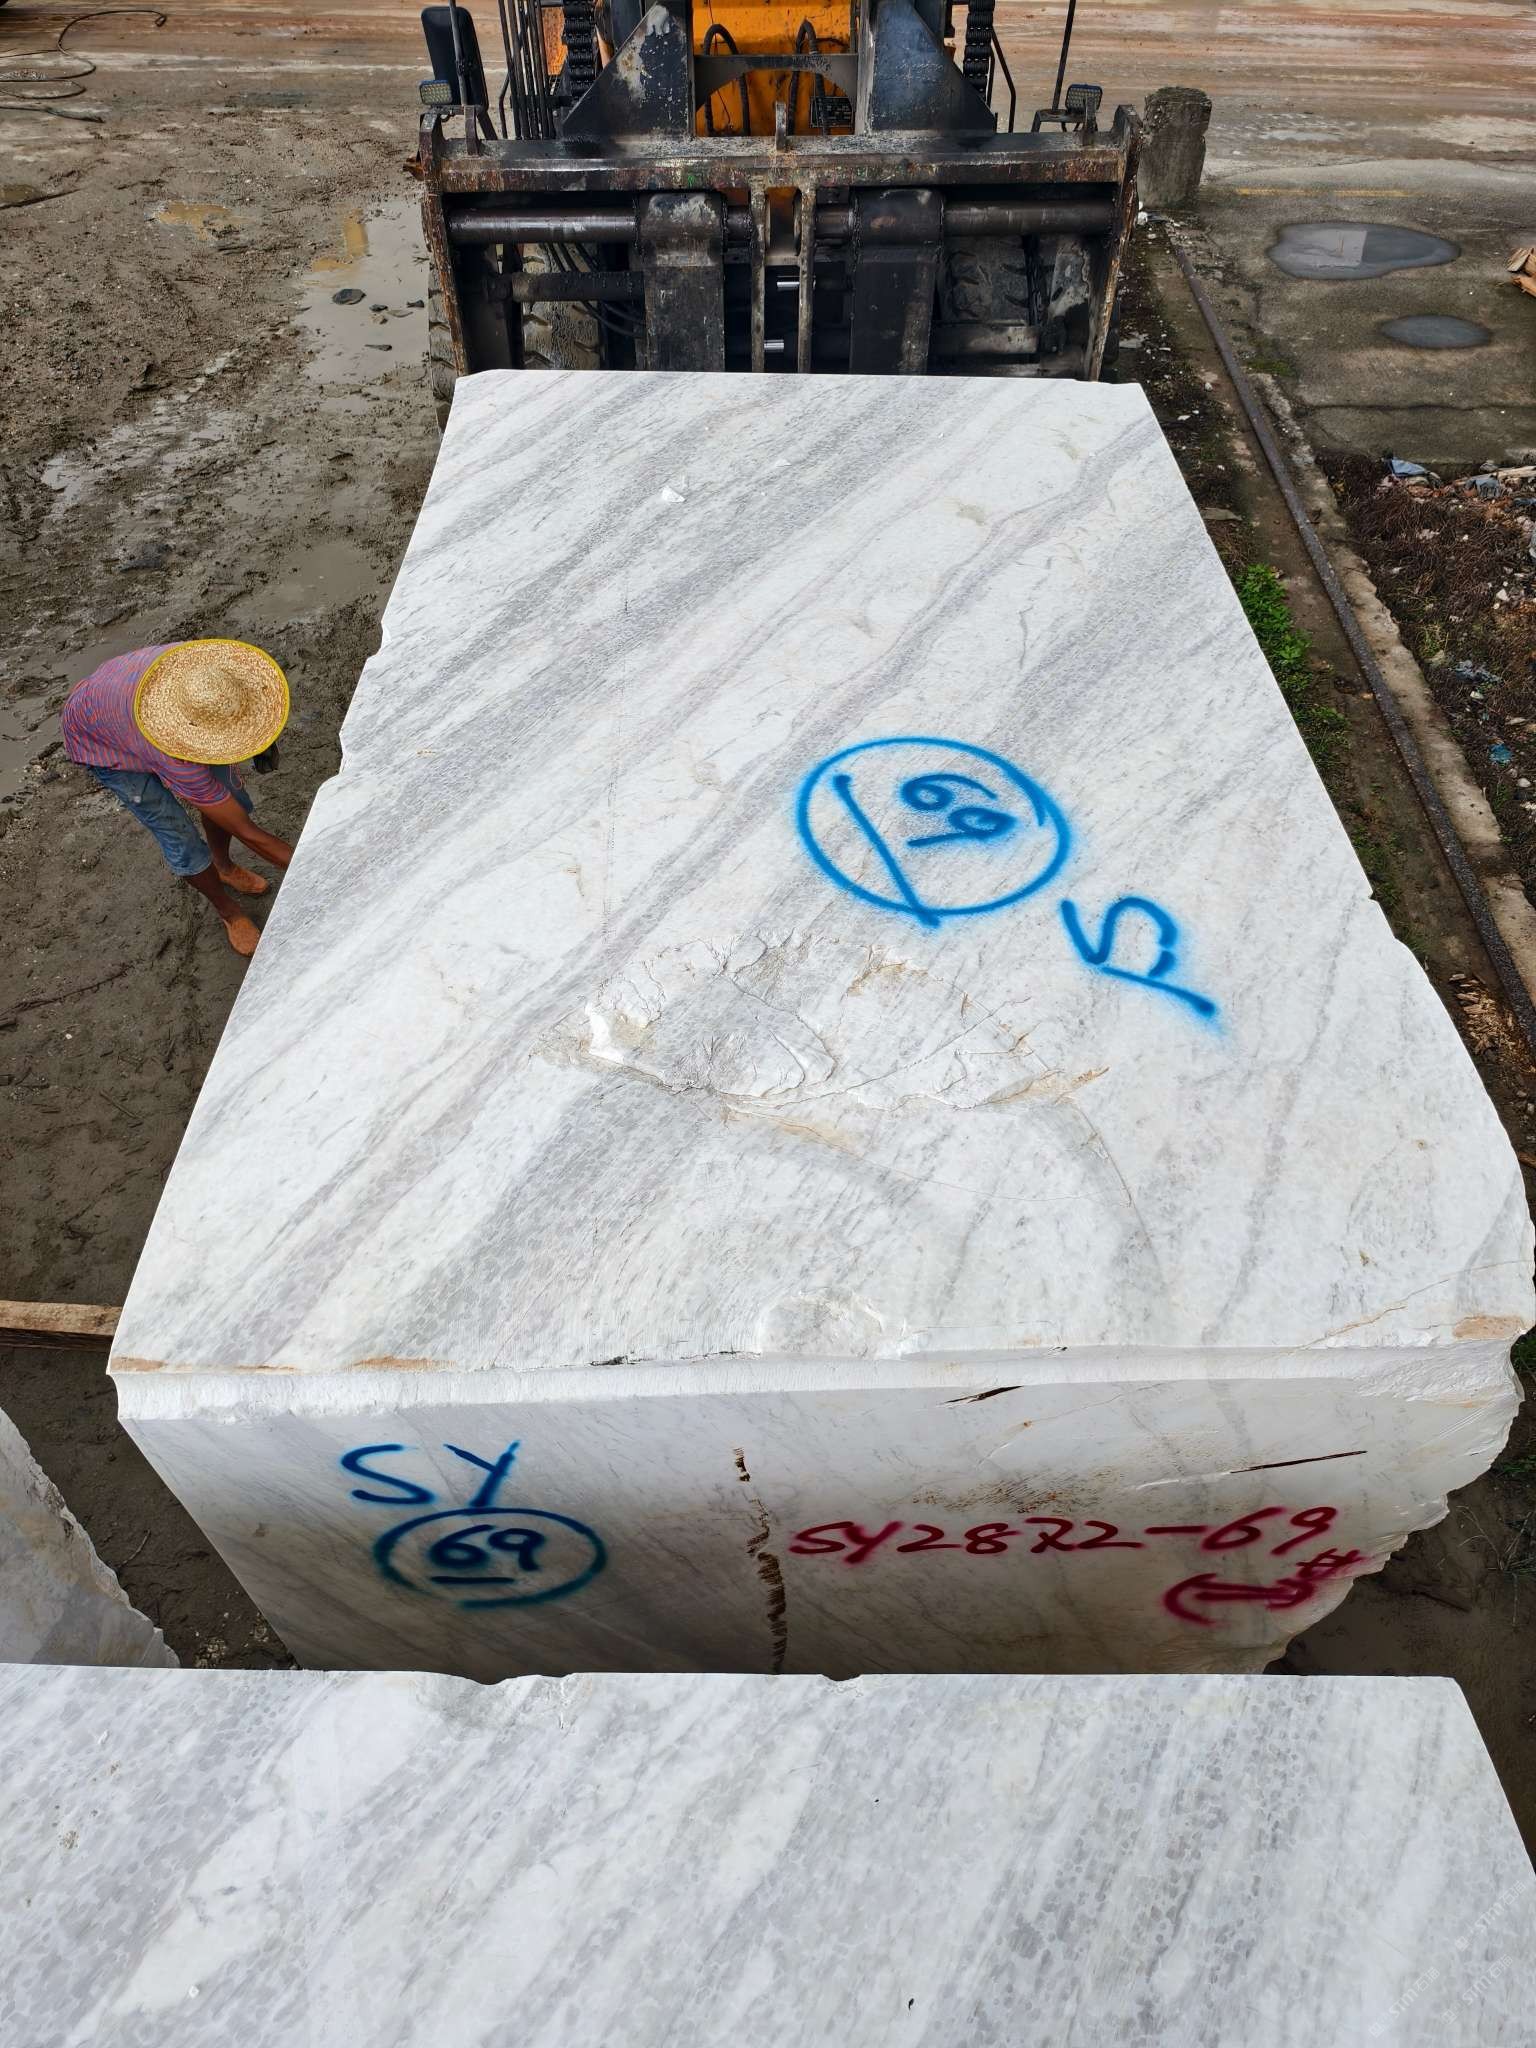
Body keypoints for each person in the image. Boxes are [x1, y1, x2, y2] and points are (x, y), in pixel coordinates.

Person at [61, 639, 294, 957]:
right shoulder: (178, 759)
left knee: (232, 798)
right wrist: (309, 866)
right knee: (179, 836)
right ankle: (229, 912)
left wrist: (261, 741)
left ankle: (223, 866)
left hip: (117, 698)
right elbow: (246, 831)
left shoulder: (208, 671)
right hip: (101, 740)